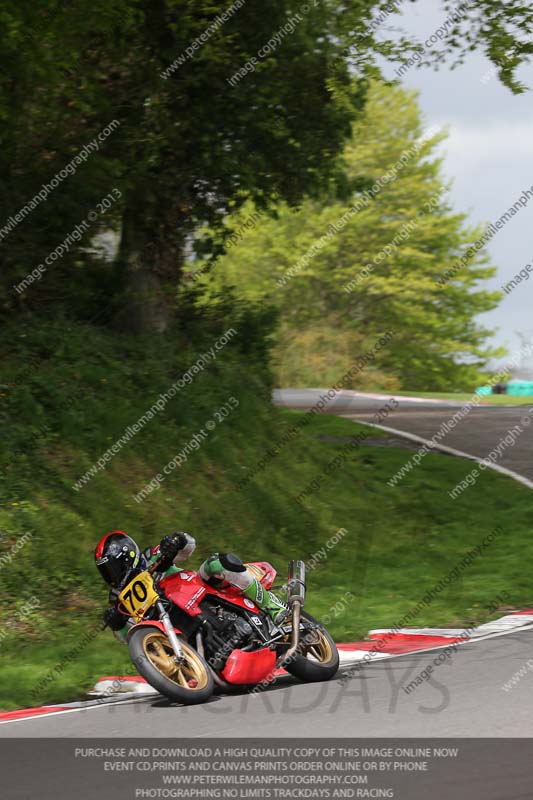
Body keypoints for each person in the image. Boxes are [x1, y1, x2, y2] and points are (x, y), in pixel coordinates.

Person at [95, 530, 288, 642]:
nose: (112, 574)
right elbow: (129, 637)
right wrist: (117, 624)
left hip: (195, 588)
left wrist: (177, 541)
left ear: (127, 555)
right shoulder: (118, 597)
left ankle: (273, 606)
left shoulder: (150, 557)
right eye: (106, 571)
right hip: (173, 628)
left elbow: (189, 547)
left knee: (216, 563)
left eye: (112, 567)